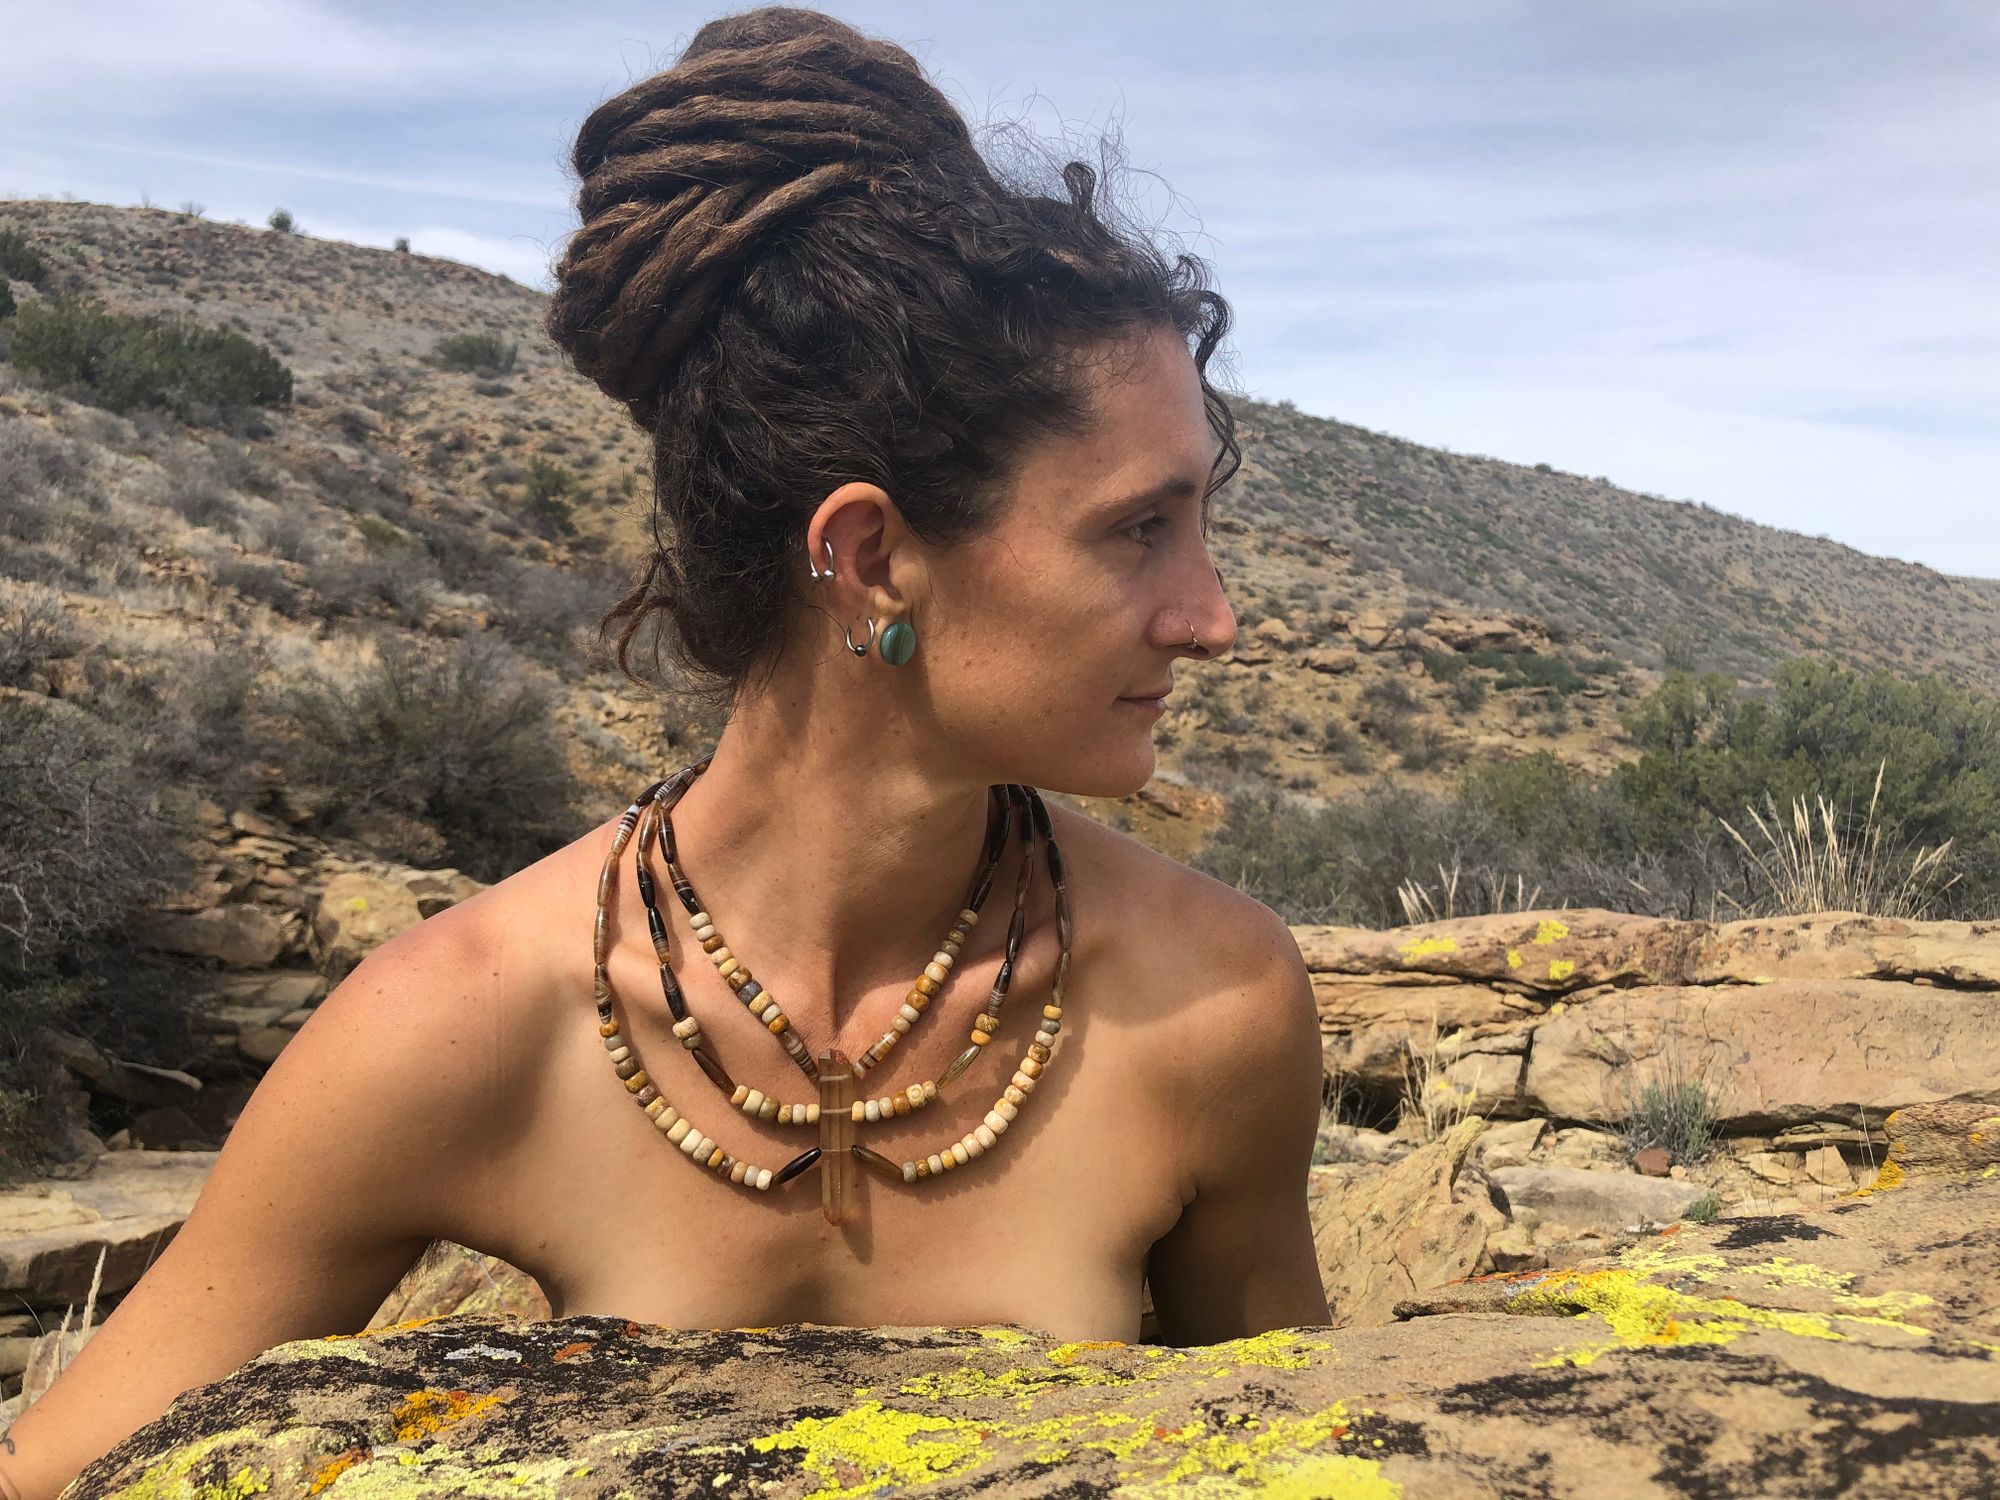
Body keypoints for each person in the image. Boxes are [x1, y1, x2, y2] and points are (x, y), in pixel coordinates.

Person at [0, 7, 1328, 1495]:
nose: (1209, 618)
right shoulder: (468, 1024)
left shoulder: (1214, 1006)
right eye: (1139, 529)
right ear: (873, 558)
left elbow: (1291, 1453)